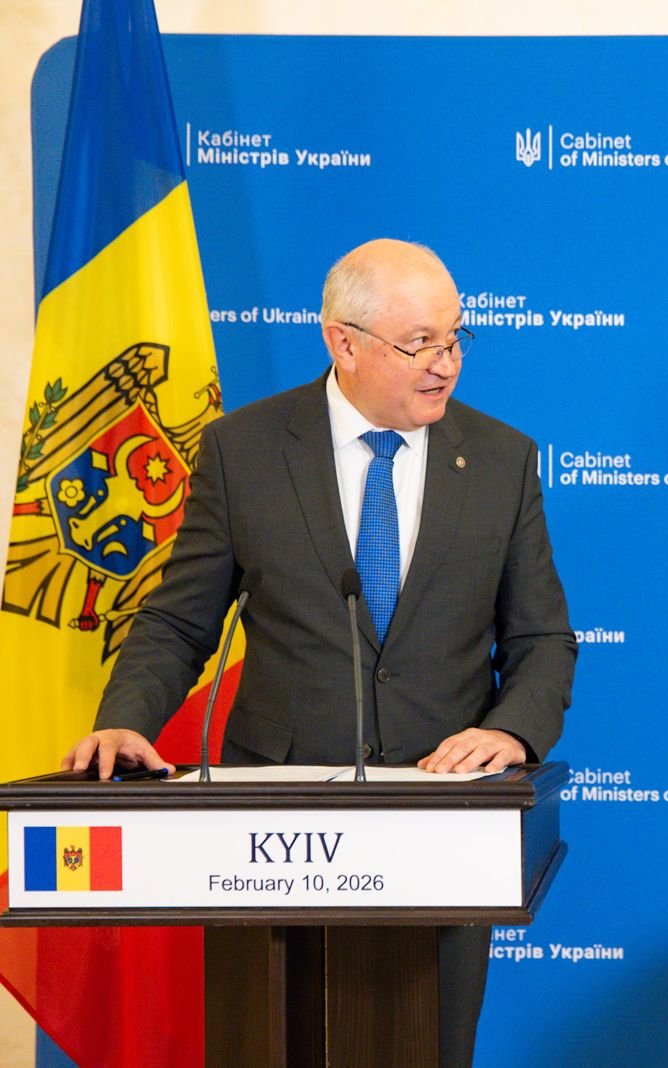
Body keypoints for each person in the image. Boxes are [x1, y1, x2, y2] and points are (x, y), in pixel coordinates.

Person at [61, 238, 577, 1065]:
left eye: (455, 340)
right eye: (420, 344)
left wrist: (512, 733)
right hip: (268, 842)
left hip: (441, 832)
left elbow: (542, 637)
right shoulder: (245, 450)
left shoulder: (503, 460)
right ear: (343, 341)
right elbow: (179, 622)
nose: (445, 365)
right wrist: (126, 722)